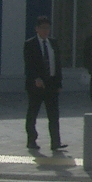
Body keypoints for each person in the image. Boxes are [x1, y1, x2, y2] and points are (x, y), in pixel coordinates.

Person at [24, 15, 66, 152]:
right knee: (33, 113)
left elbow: (57, 64)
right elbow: (29, 65)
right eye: (43, 28)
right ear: (37, 29)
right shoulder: (30, 44)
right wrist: (35, 78)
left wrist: (59, 83)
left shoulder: (53, 43)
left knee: (54, 115)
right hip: (36, 85)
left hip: (51, 83)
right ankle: (32, 140)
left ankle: (56, 142)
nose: (45, 31)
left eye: (48, 28)